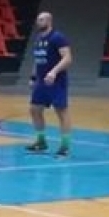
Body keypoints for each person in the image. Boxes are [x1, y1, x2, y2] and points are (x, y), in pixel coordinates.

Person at [26, 12, 73, 157]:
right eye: (38, 20)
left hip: (56, 81)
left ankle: (65, 146)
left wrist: (54, 72)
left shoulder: (57, 37)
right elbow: (38, 59)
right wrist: (33, 77)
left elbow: (67, 58)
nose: (38, 22)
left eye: (41, 19)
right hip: (41, 81)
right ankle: (41, 141)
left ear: (49, 21)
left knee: (61, 111)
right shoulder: (38, 39)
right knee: (34, 109)